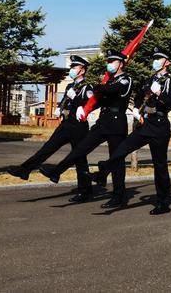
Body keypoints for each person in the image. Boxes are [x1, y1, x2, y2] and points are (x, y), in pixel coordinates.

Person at [37, 50, 132, 206]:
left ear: (120, 64)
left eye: (112, 62)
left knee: (116, 162)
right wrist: (86, 109)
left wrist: (96, 87)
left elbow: (112, 91)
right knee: (80, 149)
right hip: (103, 122)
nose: (109, 64)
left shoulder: (125, 80)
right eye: (108, 62)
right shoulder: (108, 81)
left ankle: (118, 196)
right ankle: (57, 171)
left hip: (116, 124)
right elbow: (100, 100)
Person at [7, 55, 94, 202]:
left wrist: (76, 98)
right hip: (66, 124)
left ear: (82, 70)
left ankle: (85, 191)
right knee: (47, 148)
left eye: (75, 67)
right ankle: (24, 170)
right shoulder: (69, 86)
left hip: (79, 127)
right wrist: (60, 108)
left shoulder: (87, 87)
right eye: (71, 66)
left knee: (79, 159)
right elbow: (65, 101)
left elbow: (90, 103)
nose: (71, 69)